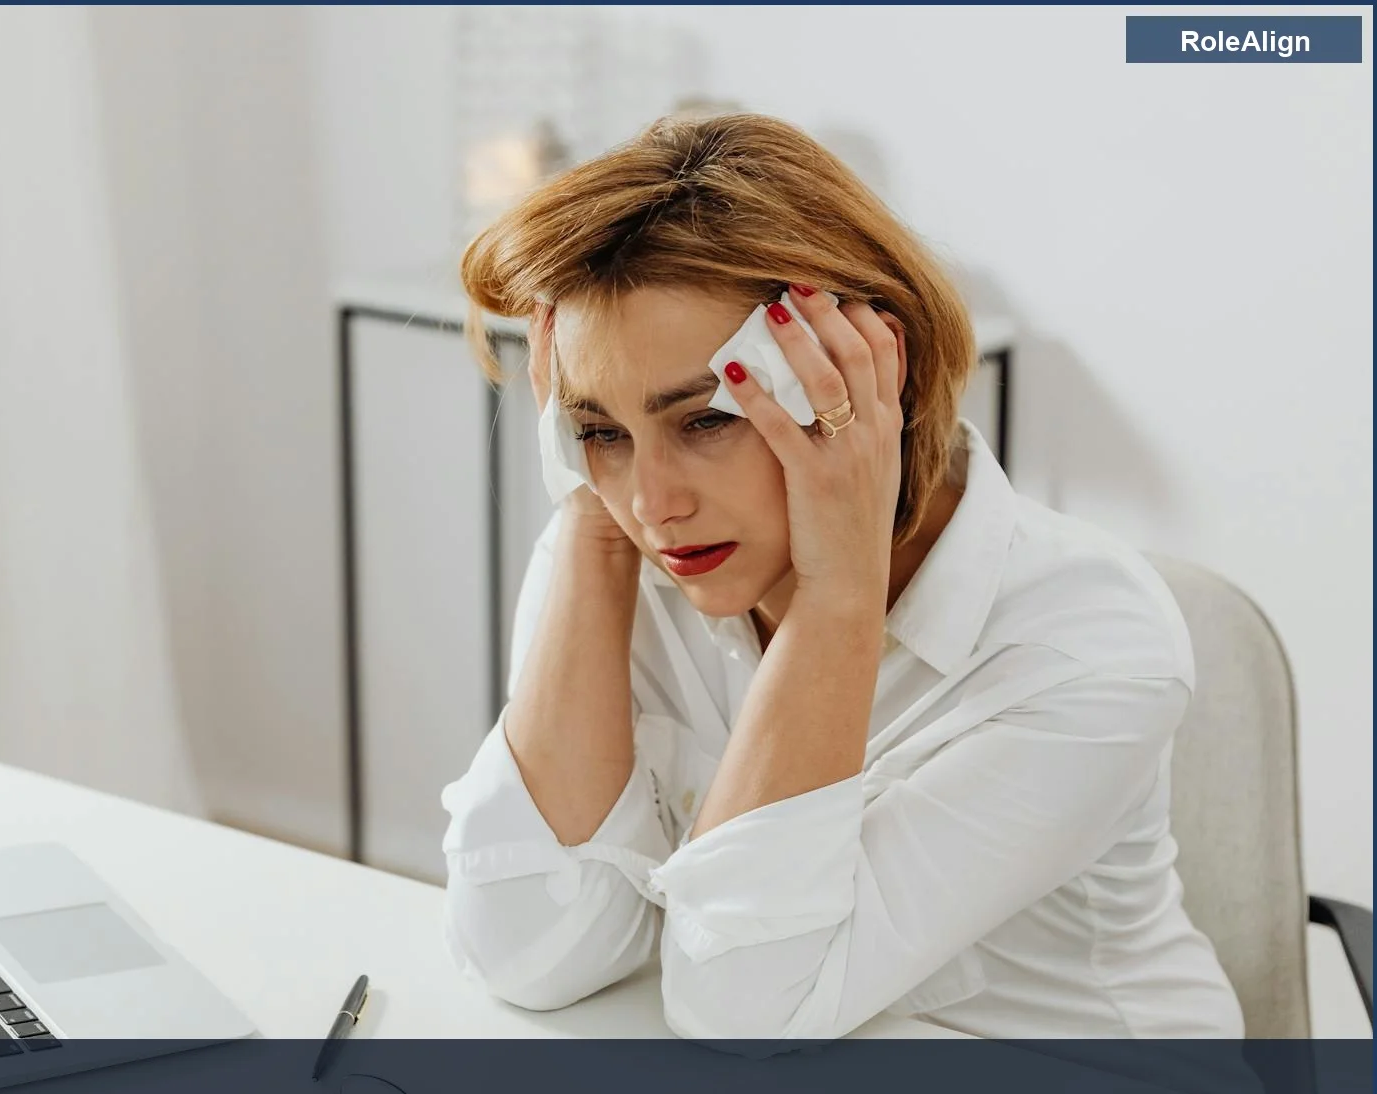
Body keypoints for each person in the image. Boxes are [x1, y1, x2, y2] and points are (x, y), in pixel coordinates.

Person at [439, 113, 1243, 1040]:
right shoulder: (621, 549)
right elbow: (529, 954)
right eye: (602, 431)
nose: (652, 502)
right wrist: (588, 512)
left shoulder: (1088, 645)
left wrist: (838, 594)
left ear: (861, 373)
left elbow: (742, 1010)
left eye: (704, 420)